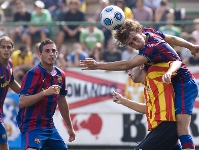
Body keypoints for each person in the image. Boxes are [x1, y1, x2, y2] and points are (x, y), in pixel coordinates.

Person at [80, 19, 199, 149]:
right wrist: (190, 46)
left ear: (139, 30)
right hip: (171, 83)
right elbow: (172, 39)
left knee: (181, 127)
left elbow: (128, 64)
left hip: (183, 82)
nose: (135, 44)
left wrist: (98, 65)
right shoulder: (149, 34)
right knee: (172, 139)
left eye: (135, 39)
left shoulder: (151, 50)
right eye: (130, 44)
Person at [16, 38, 76, 150]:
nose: (51, 54)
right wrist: (44, 93)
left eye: (53, 51)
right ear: (39, 54)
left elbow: (62, 102)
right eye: (47, 51)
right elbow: (22, 102)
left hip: (49, 126)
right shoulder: (33, 74)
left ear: (57, 53)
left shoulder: (60, 75)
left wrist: (69, 126)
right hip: (32, 125)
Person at [113, 62, 180, 150]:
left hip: (165, 125)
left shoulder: (154, 73)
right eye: (127, 70)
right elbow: (147, 109)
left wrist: (169, 72)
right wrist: (123, 101)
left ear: (141, 65)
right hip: (164, 128)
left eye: (131, 69)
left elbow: (177, 62)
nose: (128, 73)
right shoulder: (147, 85)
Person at [0, 36, 21, 150]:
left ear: (13, 49)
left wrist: (26, 93)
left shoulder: (9, 65)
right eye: (2, 47)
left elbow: (11, 82)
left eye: (8, 47)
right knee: (3, 141)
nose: (6, 50)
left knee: (3, 143)